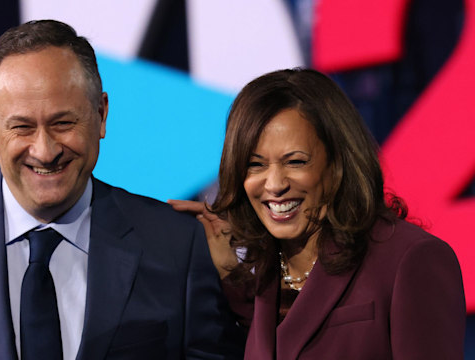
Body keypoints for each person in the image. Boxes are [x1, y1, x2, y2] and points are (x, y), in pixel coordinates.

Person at [0, 20, 244, 359]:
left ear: (101, 114)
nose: (45, 150)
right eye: (22, 126)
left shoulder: (176, 245)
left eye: (63, 123)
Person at [170, 68, 465, 359]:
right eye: (256, 165)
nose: (275, 185)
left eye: (295, 162)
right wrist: (231, 276)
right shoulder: (269, 269)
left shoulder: (411, 259)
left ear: (338, 162)